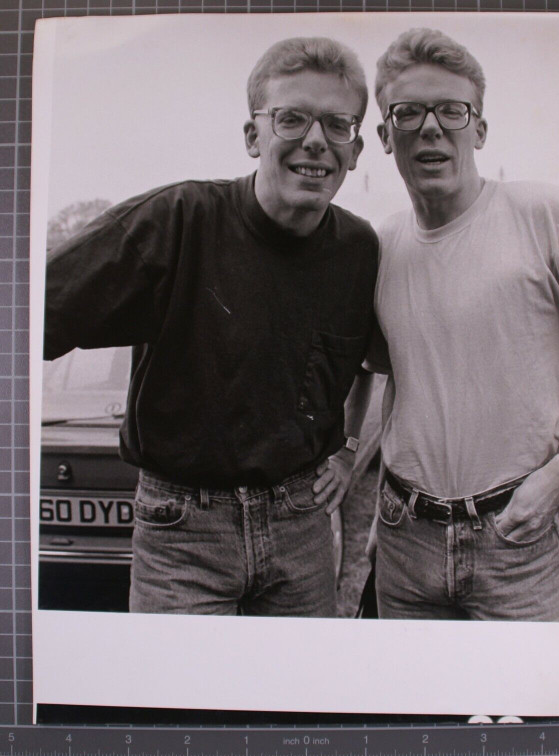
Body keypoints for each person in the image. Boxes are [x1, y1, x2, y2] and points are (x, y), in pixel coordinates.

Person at [43, 37, 378, 618]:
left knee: (299, 705)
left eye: (337, 124)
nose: (316, 141)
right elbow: (28, 316)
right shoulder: (175, 223)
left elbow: (369, 364)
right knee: (179, 706)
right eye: (292, 119)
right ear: (253, 136)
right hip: (183, 535)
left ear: (354, 148)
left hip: (301, 531)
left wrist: (347, 450)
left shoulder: (358, 249)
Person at [351, 28, 559, 621]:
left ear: (478, 128)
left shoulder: (547, 219)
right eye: (408, 113)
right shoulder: (381, 247)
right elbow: (376, 372)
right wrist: (354, 462)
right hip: (405, 541)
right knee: (414, 714)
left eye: (452, 110)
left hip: (517, 536)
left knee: (519, 715)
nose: (431, 127)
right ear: (385, 135)